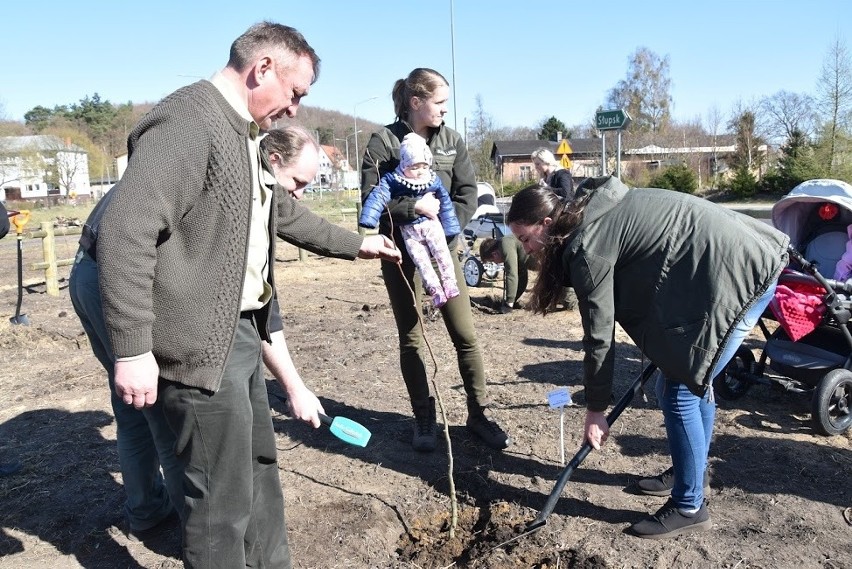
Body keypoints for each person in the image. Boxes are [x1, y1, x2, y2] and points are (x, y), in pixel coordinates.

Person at [87, 23, 399, 568]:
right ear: (263, 70)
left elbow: (281, 212)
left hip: (236, 333)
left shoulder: (245, 135)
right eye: (296, 93)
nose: (296, 109)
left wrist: (358, 245)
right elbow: (127, 228)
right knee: (217, 503)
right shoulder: (190, 121)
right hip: (195, 344)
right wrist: (134, 348)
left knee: (258, 466)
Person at [506, 178, 789, 539]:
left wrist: (595, 409)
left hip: (742, 276)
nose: (527, 249)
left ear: (546, 224)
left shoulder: (588, 245)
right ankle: (692, 468)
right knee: (681, 381)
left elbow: (599, 335)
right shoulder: (591, 214)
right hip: (732, 267)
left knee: (679, 390)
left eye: (526, 238)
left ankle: (689, 506)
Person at [360, 67, 510, 452]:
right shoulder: (383, 144)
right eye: (440, 102)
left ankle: (478, 415)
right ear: (416, 102)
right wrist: (413, 209)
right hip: (399, 254)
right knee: (411, 338)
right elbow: (373, 201)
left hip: (445, 252)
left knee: (465, 336)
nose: (446, 109)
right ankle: (423, 417)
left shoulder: (452, 141)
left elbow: (466, 194)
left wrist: (444, 232)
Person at [360, 132, 461, 307]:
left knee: (442, 254)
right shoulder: (393, 180)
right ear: (404, 164)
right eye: (414, 167)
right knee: (422, 263)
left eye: (423, 166)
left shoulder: (432, 179)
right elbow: (378, 196)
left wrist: (450, 227)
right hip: (409, 233)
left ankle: (450, 282)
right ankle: (435, 289)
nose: (419, 171)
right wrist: (369, 218)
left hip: (432, 226)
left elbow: (445, 202)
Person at [479, 234, 535, 313]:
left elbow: (511, 274)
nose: (495, 263)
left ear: (494, 254)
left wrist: (508, 305)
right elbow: (521, 277)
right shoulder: (506, 245)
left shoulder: (506, 245)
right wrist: (513, 300)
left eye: (492, 261)